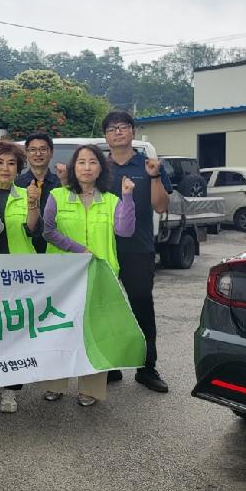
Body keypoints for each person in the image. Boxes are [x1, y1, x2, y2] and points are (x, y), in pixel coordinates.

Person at [42, 144, 136, 406]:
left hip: (101, 275)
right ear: (73, 168)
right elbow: (48, 231)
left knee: (96, 333)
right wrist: (79, 249)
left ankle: (90, 389)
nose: (86, 167)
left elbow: (125, 231)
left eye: (92, 162)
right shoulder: (57, 195)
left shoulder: (112, 199)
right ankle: (55, 384)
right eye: (81, 162)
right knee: (59, 328)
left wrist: (128, 197)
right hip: (63, 276)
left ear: (100, 168)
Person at [103, 111, 173, 393]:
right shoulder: (98, 168)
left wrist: (154, 177)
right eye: (111, 128)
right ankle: (110, 365)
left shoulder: (149, 165)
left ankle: (147, 368)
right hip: (103, 250)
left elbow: (161, 206)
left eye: (123, 127)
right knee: (105, 309)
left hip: (138, 249)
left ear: (132, 131)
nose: (117, 132)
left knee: (142, 306)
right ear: (105, 136)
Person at [0, 140, 41, 414]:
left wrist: (33, 205)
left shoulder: (26, 193)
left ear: (19, 168)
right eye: (0, 163)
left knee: (15, 332)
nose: (5, 168)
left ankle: (11, 390)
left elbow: (33, 229)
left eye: (11, 163)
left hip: (17, 274)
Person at [15, 133, 61, 253]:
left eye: (43, 149)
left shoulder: (61, 183)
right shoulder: (16, 184)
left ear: (51, 152)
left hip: (56, 248)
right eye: (33, 150)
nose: (38, 154)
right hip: (24, 248)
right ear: (26, 153)